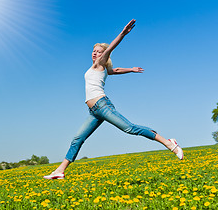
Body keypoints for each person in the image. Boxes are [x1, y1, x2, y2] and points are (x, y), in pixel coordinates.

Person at [43, 19, 183, 180]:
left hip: (102, 106)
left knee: (130, 128)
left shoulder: (99, 63)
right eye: (94, 51)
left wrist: (122, 34)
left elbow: (110, 49)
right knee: (78, 138)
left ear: (104, 55)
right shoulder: (98, 68)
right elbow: (114, 70)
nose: (95, 53)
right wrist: (130, 69)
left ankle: (169, 143)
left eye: (99, 51)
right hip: (94, 112)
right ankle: (60, 171)